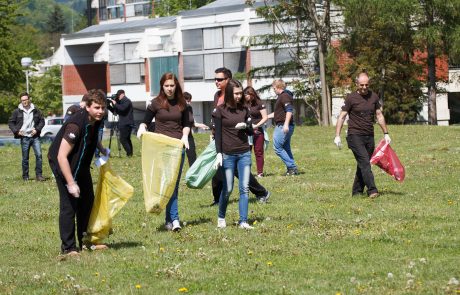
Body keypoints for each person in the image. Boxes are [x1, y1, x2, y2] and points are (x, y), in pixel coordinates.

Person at [48, 89, 108, 256]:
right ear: (87, 107)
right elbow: (61, 156)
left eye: (103, 108)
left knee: (87, 201)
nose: (100, 111)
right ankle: (68, 248)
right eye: (97, 107)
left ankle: (85, 241)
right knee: (69, 205)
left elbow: (93, 137)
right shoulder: (75, 124)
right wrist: (71, 183)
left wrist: (102, 149)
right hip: (63, 164)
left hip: (81, 165)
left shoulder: (96, 120)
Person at [137, 73, 191, 231]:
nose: (169, 88)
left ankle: (169, 220)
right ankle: (175, 220)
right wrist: (142, 127)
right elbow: (145, 121)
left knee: (172, 184)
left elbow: (187, 124)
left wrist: (185, 136)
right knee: (169, 182)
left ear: (176, 86)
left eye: (172, 85)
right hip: (161, 147)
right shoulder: (156, 103)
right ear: (162, 86)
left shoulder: (182, 104)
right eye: (166, 86)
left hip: (177, 147)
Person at [210, 68, 270, 206]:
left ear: (228, 80)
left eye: (219, 79)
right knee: (217, 171)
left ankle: (261, 192)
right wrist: (212, 134)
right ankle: (217, 199)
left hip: (235, 141)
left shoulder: (238, 98)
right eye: (215, 79)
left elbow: (245, 117)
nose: (216, 82)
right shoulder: (217, 95)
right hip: (220, 138)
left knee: (238, 172)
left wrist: (246, 126)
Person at [334, 72, 391, 199]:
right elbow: (342, 116)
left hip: (369, 135)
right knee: (365, 162)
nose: (364, 87)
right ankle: (372, 190)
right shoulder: (351, 98)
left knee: (363, 163)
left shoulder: (374, 97)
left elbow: (379, 115)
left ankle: (357, 191)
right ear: (356, 84)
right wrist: (337, 135)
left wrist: (386, 133)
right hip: (354, 135)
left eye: (366, 85)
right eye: (362, 85)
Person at [213, 79, 254, 229]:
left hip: (244, 153)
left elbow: (251, 131)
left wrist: (246, 126)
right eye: (236, 93)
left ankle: (243, 221)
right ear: (230, 93)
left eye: (240, 93)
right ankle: (221, 216)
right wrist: (219, 154)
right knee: (228, 188)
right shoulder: (220, 110)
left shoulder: (245, 109)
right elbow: (217, 134)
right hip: (228, 155)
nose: (239, 96)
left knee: (244, 188)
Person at [8, 92, 45, 181]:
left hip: (35, 136)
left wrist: (36, 129)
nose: (24, 102)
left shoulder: (36, 109)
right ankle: (25, 176)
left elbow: (42, 121)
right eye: (22, 100)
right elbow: (10, 122)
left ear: (29, 99)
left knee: (39, 155)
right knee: (25, 158)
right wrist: (16, 131)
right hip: (24, 137)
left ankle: (39, 175)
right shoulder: (17, 111)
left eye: (25, 100)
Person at [271, 79, 298, 176]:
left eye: (274, 88)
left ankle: (292, 167)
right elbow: (279, 113)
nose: (273, 90)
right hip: (285, 124)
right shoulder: (283, 96)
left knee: (277, 147)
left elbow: (289, 110)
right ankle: (291, 170)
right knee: (286, 148)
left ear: (278, 87)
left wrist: (286, 124)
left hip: (283, 125)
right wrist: (266, 117)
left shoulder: (284, 96)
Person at [244, 86, 268, 177]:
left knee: (258, 151)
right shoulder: (244, 104)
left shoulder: (259, 104)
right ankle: (247, 172)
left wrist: (256, 126)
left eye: (246, 95)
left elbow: (265, 117)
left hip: (258, 130)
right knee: (246, 152)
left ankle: (260, 173)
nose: (245, 97)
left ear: (251, 94)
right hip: (246, 131)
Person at [183, 91, 209, 167]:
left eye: (190, 101)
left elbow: (192, 123)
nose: (189, 103)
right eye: (187, 101)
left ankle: (193, 175)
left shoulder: (189, 108)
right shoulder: (177, 109)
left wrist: (201, 125)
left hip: (189, 136)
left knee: (192, 156)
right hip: (179, 135)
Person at [107, 89, 134, 157]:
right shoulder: (121, 102)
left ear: (122, 94)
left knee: (123, 139)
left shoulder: (127, 101)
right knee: (127, 139)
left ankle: (129, 153)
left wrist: (115, 103)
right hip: (124, 123)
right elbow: (116, 112)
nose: (118, 97)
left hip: (126, 123)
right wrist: (109, 106)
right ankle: (130, 154)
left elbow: (122, 109)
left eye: (118, 95)